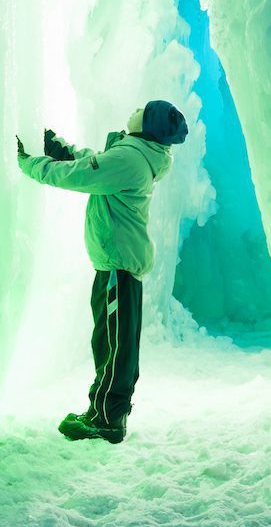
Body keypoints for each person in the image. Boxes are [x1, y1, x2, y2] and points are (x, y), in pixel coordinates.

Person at [15, 99, 188, 444]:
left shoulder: (130, 159)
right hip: (118, 263)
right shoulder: (136, 154)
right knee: (114, 342)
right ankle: (106, 413)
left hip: (117, 266)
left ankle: (107, 418)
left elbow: (81, 174)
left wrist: (29, 164)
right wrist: (63, 149)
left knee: (113, 346)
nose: (135, 109)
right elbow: (95, 162)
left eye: (142, 110)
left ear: (146, 124)